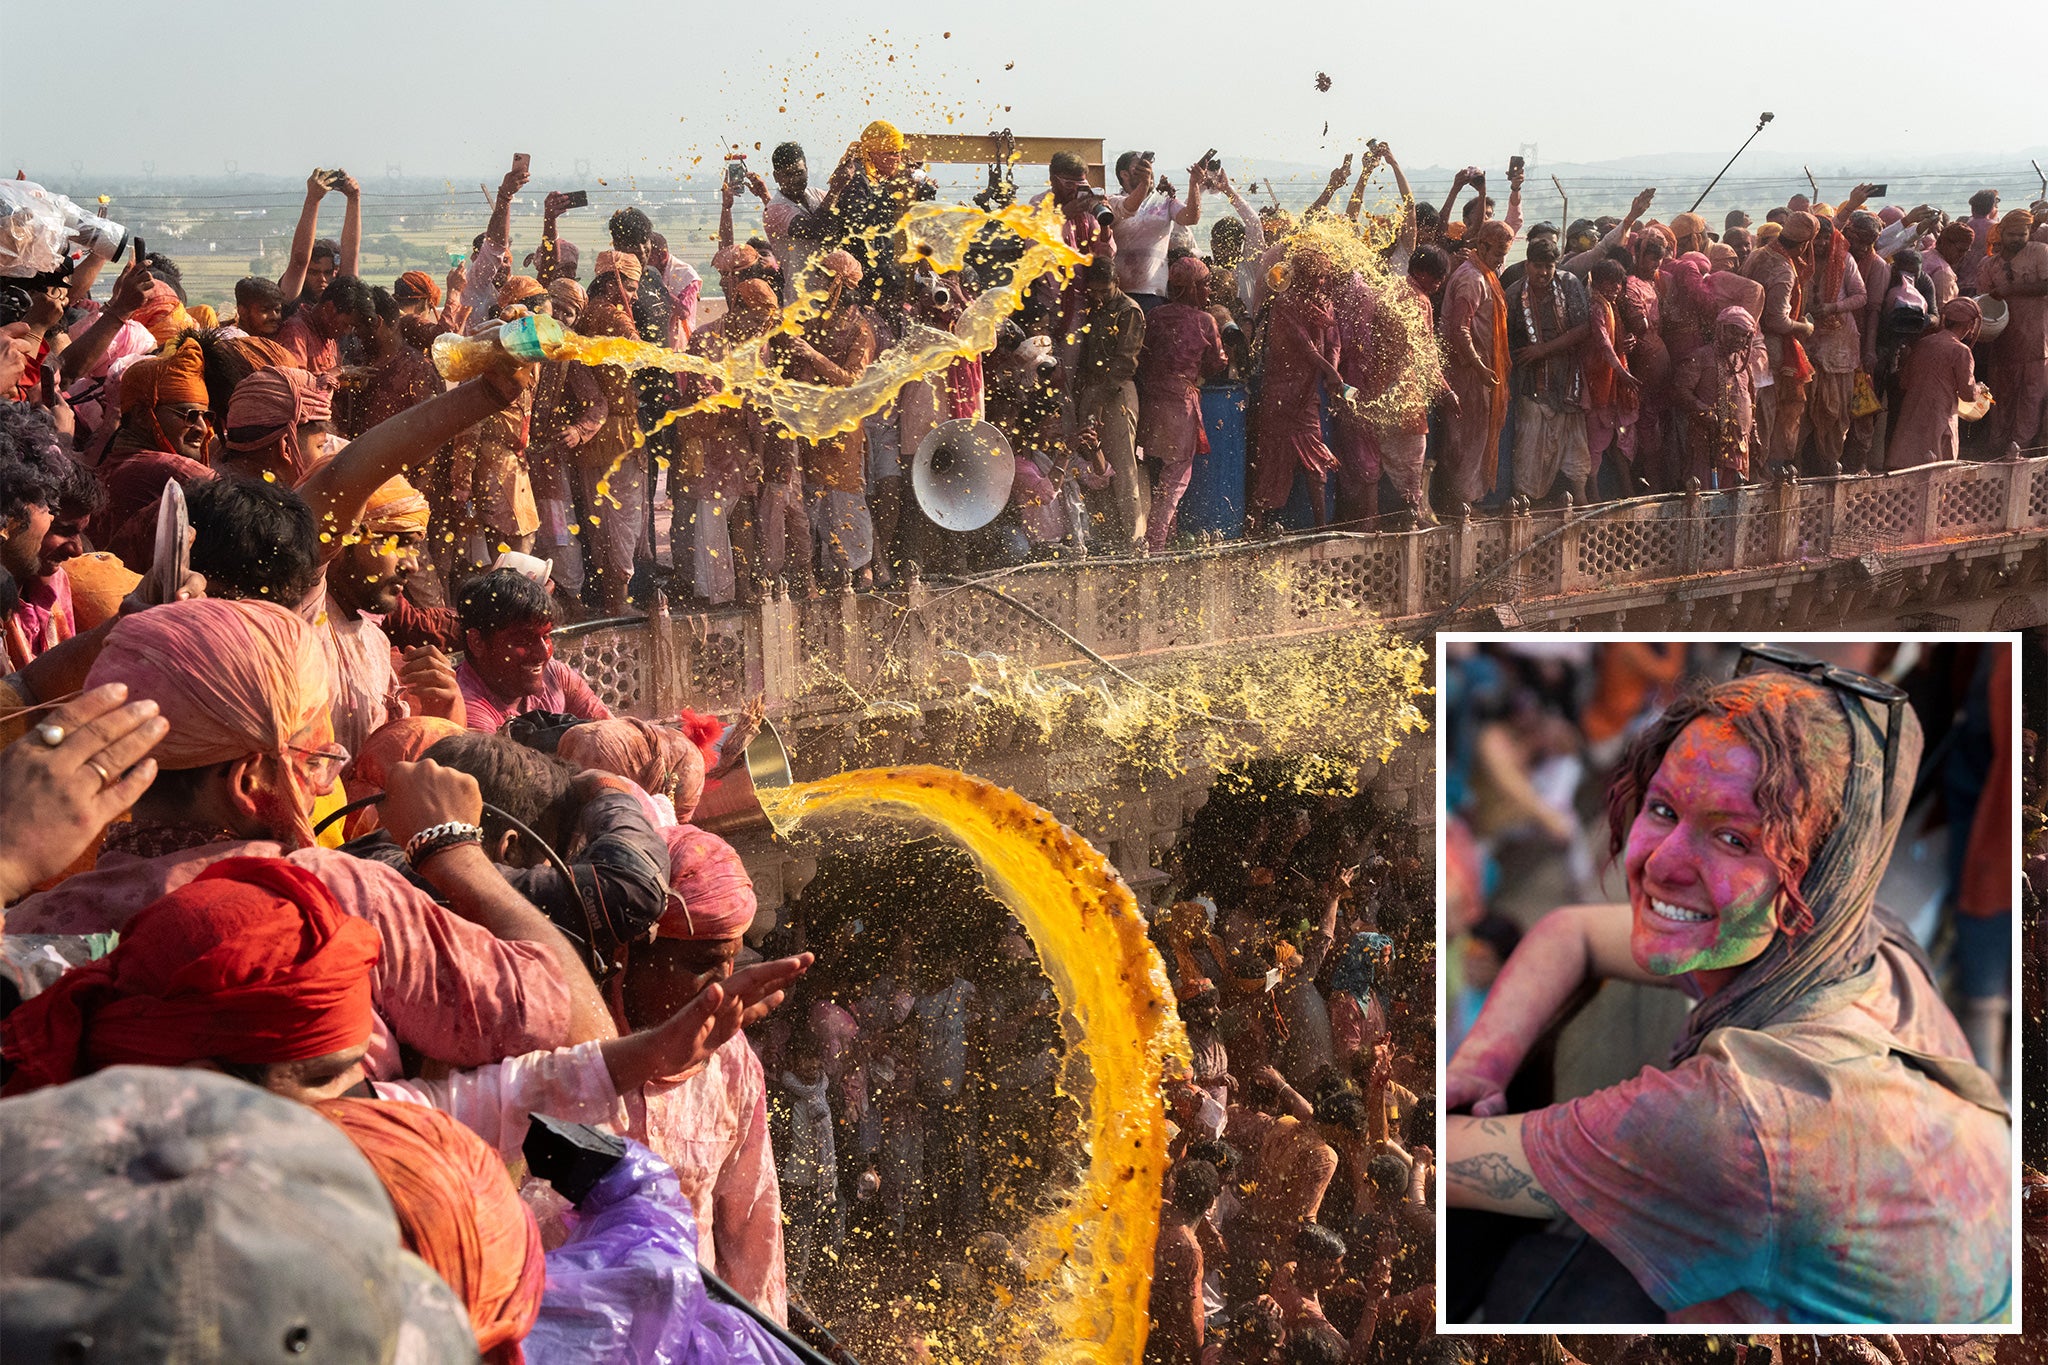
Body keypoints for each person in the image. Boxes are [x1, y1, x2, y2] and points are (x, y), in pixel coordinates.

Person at [1444, 665, 2010, 1322]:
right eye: (1663, 808)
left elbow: (1432, 1160)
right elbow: (1569, 930)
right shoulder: (1864, 943)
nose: (1662, 861)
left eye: (1734, 837)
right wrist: (1478, 1064)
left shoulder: (1740, 1118)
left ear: (1817, 877)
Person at [0, 597, 618, 1074]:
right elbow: (582, 1037)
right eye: (315, 752)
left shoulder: (32, 927)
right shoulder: (331, 899)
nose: (328, 766)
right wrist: (455, 848)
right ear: (250, 780)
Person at [618, 821, 789, 1320]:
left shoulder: (733, 1062)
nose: (725, 988)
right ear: (630, 952)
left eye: (733, 963)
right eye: (704, 963)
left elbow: (751, 1229)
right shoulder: (568, 1048)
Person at [1137, 255, 1227, 551]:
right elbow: (1217, 363)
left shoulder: (1155, 316)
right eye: (1205, 286)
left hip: (1150, 403)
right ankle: (1157, 544)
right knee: (1175, 479)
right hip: (1180, 405)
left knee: (1158, 474)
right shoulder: (1205, 321)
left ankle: (1164, 537)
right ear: (1192, 288)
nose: (1209, 292)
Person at [454, 567, 612, 732]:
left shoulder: (556, 676)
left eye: (545, 637)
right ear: (477, 642)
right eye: (523, 640)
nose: (544, 653)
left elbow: (614, 732)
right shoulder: (465, 709)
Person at [1504, 236, 1594, 505]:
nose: (1543, 273)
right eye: (1538, 266)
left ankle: (1580, 498)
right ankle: (1524, 501)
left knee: (1574, 442)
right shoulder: (1513, 294)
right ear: (1527, 265)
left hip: (1567, 378)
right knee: (1529, 443)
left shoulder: (1568, 284)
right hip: (1531, 382)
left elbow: (1583, 328)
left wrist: (1543, 349)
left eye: (1549, 266)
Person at [1073, 254, 1149, 551]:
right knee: (1093, 465)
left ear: (1117, 283)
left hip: (1116, 395)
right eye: (1095, 291)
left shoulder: (1129, 311)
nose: (1100, 296)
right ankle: (1104, 535)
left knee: (1122, 467)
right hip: (1092, 391)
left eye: (1105, 291)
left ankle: (1134, 539)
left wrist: (1098, 405)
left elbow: (1124, 364)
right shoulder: (1094, 309)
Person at [1438, 221, 1513, 510]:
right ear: (1481, 246)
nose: (1501, 260)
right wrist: (1480, 367)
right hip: (1467, 372)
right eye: (1497, 253)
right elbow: (1459, 330)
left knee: (1476, 436)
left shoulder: (1486, 274)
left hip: (1479, 371)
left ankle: (1467, 499)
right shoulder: (1472, 279)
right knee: (1465, 439)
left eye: (1505, 254)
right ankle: (1461, 502)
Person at [1741, 211, 1817, 476]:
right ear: (1805, 244)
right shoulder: (1784, 270)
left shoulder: (1759, 253)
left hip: (1744, 339)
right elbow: (1777, 321)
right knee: (1772, 410)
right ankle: (1768, 468)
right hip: (1770, 347)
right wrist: (1805, 327)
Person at [1802, 212, 1868, 474]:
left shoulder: (1845, 260)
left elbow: (1861, 296)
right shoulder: (1799, 261)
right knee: (1804, 409)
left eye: (1825, 239)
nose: (1820, 245)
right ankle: (1801, 466)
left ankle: (1830, 465)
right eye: (1816, 239)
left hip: (1839, 345)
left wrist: (1832, 307)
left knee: (1835, 411)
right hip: (1807, 342)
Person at [1979, 208, 2048, 457]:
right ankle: (1997, 449)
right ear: (2002, 233)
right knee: (2001, 398)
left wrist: (2011, 289)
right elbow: (1984, 299)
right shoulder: (1990, 264)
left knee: (2030, 398)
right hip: (2003, 342)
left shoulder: (2040, 253)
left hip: (2034, 341)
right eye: (2012, 234)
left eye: (2023, 234)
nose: (2017, 239)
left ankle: (2020, 450)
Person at [1889, 297, 1986, 469]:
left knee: (1906, 470)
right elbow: (1968, 395)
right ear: (1969, 325)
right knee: (1936, 475)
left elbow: (1904, 382)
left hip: (1912, 418)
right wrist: (1979, 389)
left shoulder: (1924, 343)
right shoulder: (1961, 351)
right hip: (1939, 419)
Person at [1146, 1158, 1222, 1365]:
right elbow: (1191, 1320)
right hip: (1155, 1340)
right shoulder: (1189, 1250)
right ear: (1209, 1202)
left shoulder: (1154, 1209)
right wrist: (1196, 1358)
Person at [1109, 151, 1206, 311]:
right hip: (1119, 294)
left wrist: (1194, 184)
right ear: (1124, 175)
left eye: (1148, 167)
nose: (1148, 171)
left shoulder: (1165, 203)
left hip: (1154, 294)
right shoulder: (1113, 202)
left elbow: (1190, 218)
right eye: (1139, 168)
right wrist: (1144, 184)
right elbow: (1130, 207)